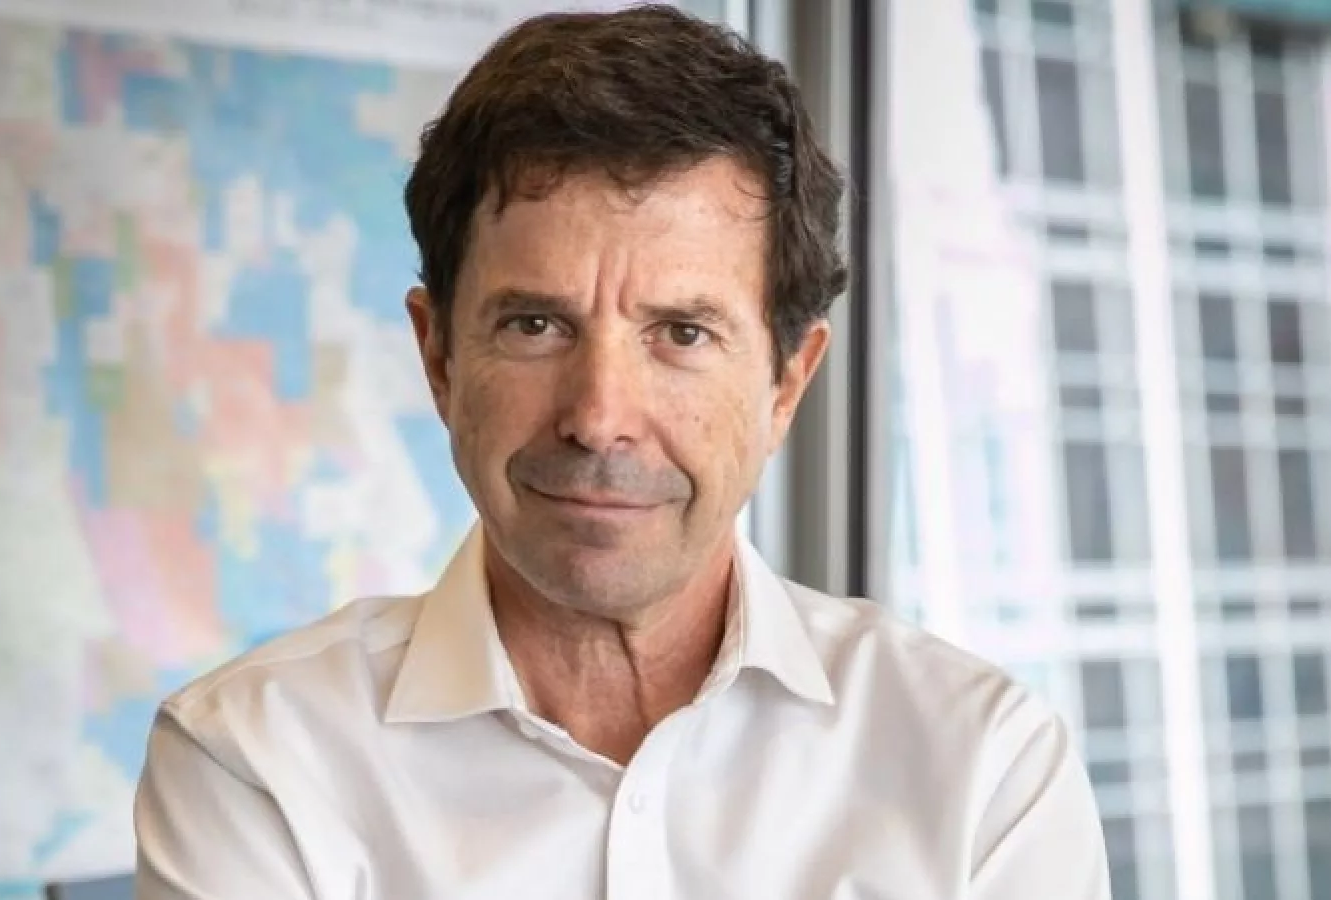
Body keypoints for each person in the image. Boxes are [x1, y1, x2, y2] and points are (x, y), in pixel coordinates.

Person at [133, 6, 1110, 898]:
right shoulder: (254, 760)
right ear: (438, 358)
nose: (599, 419)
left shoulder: (982, 768)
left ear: (785, 383)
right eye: (533, 325)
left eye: (681, 333)